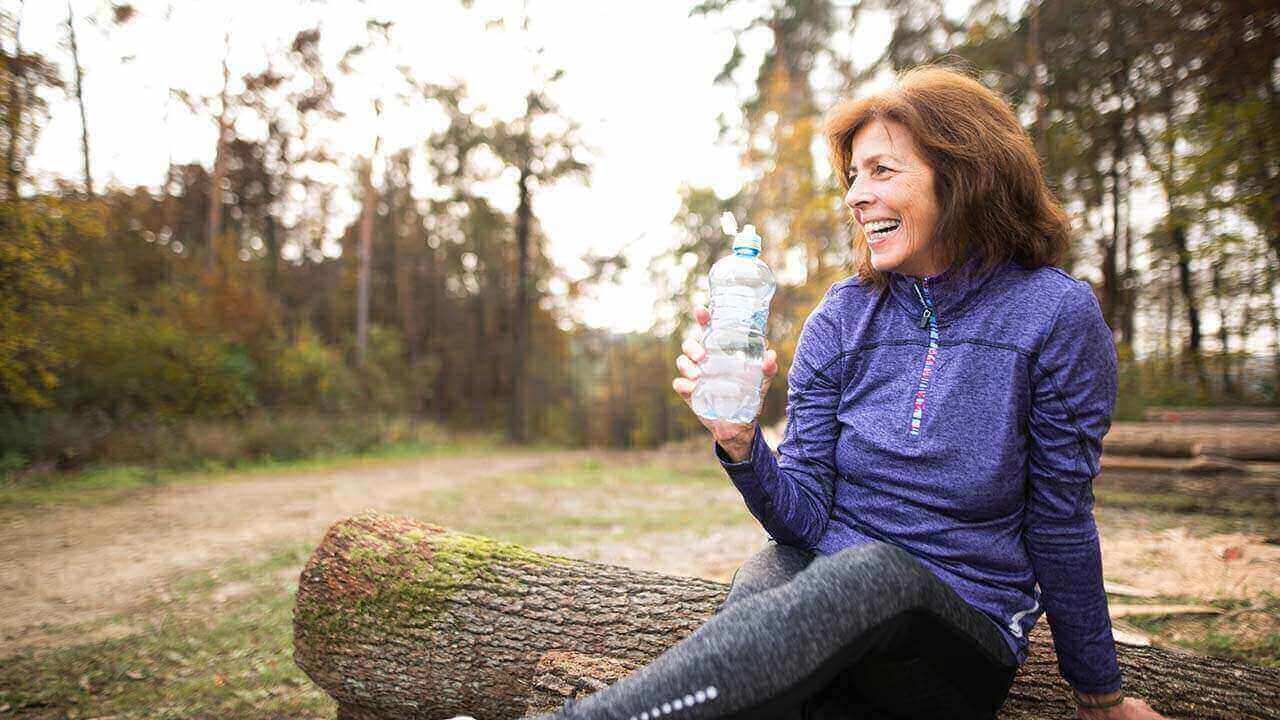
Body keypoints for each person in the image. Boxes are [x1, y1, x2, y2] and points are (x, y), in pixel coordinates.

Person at [528, 66, 1168, 720]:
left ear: (966, 175)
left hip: (956, 639)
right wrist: (742, 443)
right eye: (854, 176)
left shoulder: (1053, 316)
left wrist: (1100, 695)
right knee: (774, 568)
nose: (857, 196)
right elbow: (802, 516)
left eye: (883, 171)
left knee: (873, 573)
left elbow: (1060, 519)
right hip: (827, 611)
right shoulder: (841, 317)